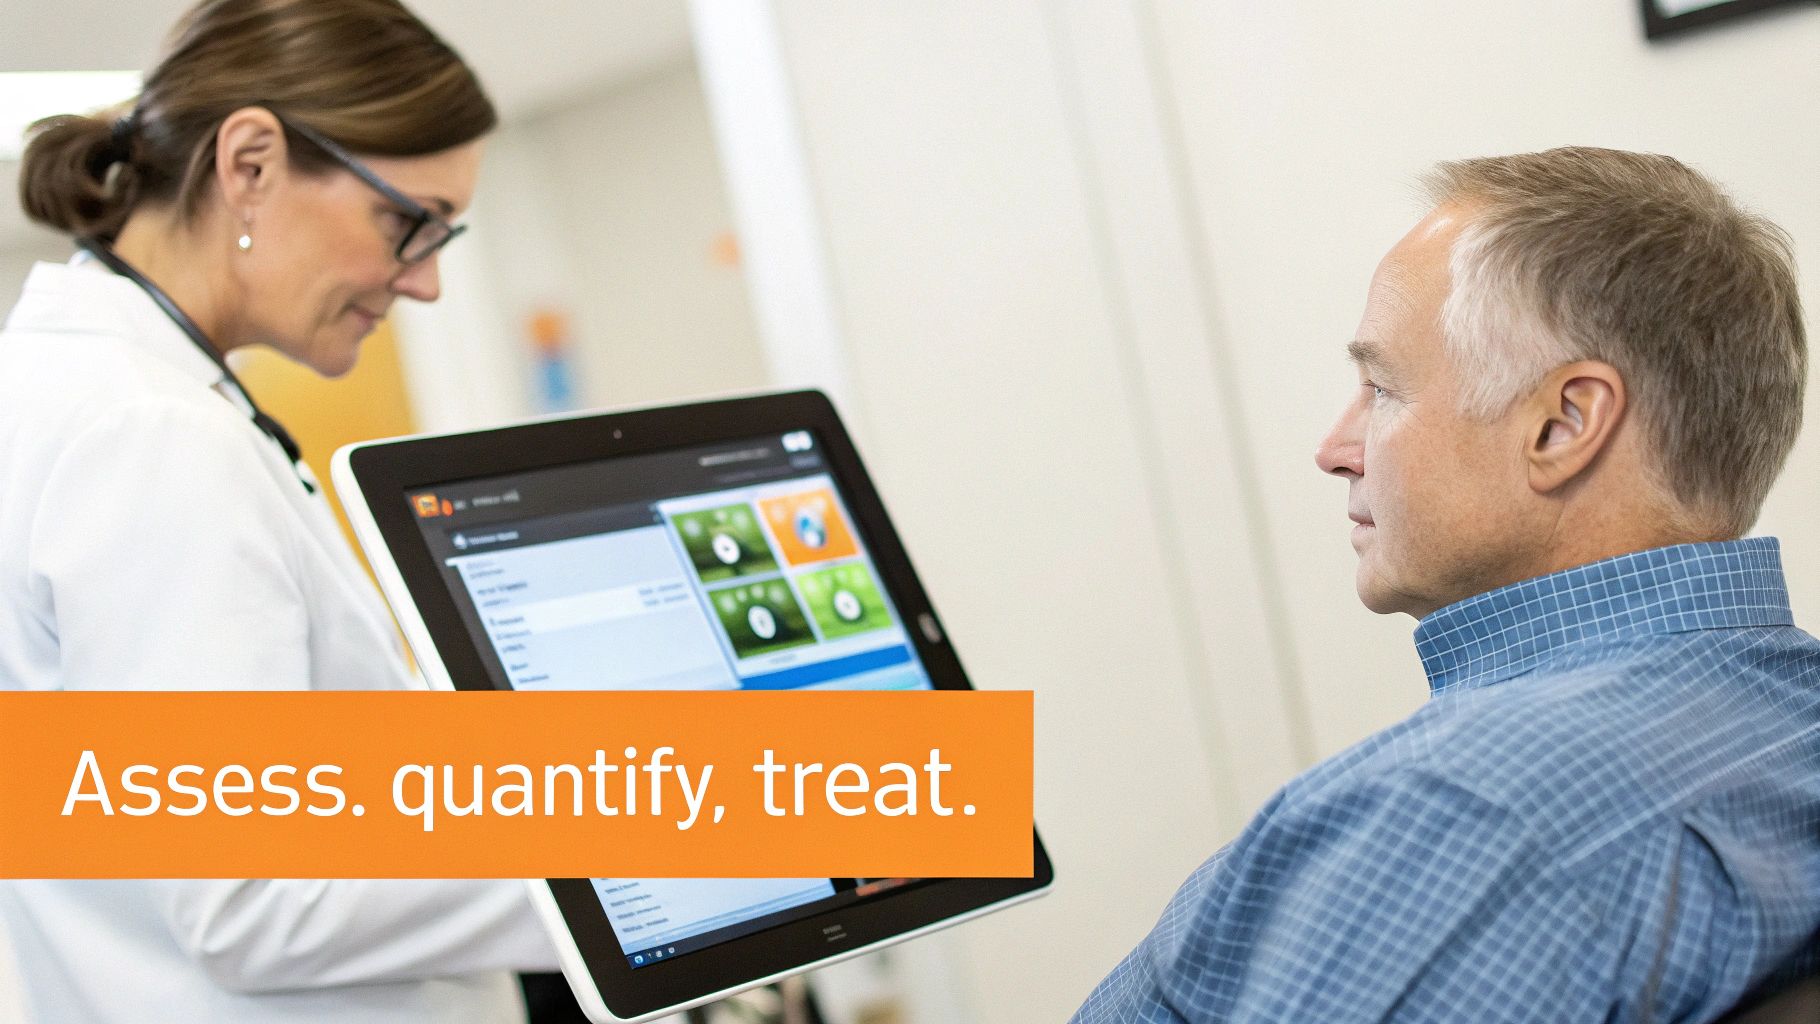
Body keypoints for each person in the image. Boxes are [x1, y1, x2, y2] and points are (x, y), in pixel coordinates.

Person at [1072, 148, 1818, 1023]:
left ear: (1564, 425)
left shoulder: (1471, 815)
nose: (1334, 448)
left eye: (1381, 388)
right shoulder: (1790, 721)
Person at [0, 1, 564, 1020]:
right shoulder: (148, 433)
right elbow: (257, 898)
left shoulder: (75, 390)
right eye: (410, 222)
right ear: (250, 163)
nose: (428, 280)